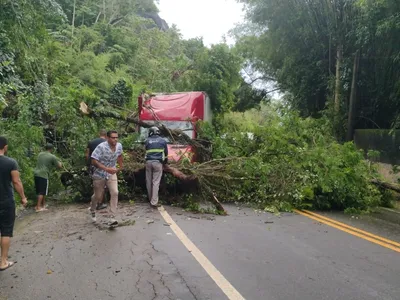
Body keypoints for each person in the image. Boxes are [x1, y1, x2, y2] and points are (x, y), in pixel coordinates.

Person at [0, 136, 28, 271]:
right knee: (5, 231)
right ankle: (3, 261)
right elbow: (16, 182)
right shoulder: (11, 163)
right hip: (5, 201)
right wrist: (23, 197)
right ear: (5, 147)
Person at [90, 130, 123, 225]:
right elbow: (93, 160)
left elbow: (120, 155)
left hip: (112, 172)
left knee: (115, 192)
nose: (115, 139)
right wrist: (105, 168)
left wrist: (120, 166)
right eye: (113, 137)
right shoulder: (101, 147)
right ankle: (92, 209)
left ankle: (112, 217)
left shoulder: (119, 146)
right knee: (98, 196)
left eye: (116, 137)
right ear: (108, 138)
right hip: (99, 173)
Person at [33, 143, 62, 212]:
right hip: (43, 174)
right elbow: (59, 166)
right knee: (42, 192)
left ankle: (43, 205)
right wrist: (60, 162)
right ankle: (38, 207)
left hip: (36, 173)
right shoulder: (52, 157)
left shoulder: (40, 154)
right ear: (51, 149)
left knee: (41, 191)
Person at [145, 126, 168, 208]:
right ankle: (154, 202)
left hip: (148, 162)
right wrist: (165, 163)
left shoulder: (147, 140)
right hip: (158, 163)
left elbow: (145, 151)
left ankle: (150, 198)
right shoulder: (163, 141)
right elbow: (166, 154)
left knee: (148, 181)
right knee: (155, 182)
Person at [85, 129, 107, 210]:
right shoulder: (107, 143)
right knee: (103, 184)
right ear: (106, 135)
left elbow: (87, 155)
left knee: (95, 184)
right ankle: (100, 203)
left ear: (99, 134)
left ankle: (95, 201)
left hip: (93, 165)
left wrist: (88, 164)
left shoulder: (91, 142)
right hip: (104, 165)